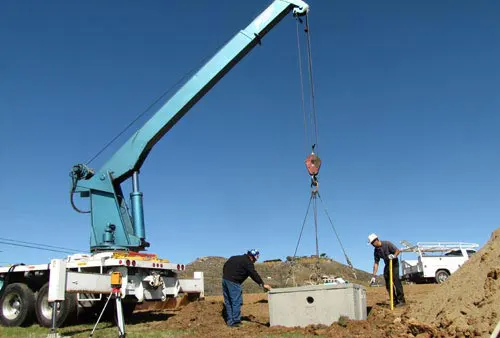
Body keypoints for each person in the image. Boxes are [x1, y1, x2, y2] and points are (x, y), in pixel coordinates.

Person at [222, 249, 272, 327]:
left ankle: (230, 321)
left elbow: (225, 266)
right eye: (256, 258)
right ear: (253, 257)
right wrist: (262, 284)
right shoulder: (248, 262)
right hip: (234, 282)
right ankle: (235, 321)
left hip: (225, 280)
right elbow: (253, 274)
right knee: (236, 301)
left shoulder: (234, 257)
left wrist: (227, 277)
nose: (255, 260)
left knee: (228, 302)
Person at [368, 233, 406, 307]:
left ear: (376, 240)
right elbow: (376, 263)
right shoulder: (376, 251)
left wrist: (394, 255)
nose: (372, 245)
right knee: (388, 284)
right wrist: (374, 276)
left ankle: (401, 301)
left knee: (396, 280)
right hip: (387, 265)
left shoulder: (387, 243)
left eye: (372, 243)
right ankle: (394, 301)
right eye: (371, 244)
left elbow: (397, 250)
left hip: (394, 263)